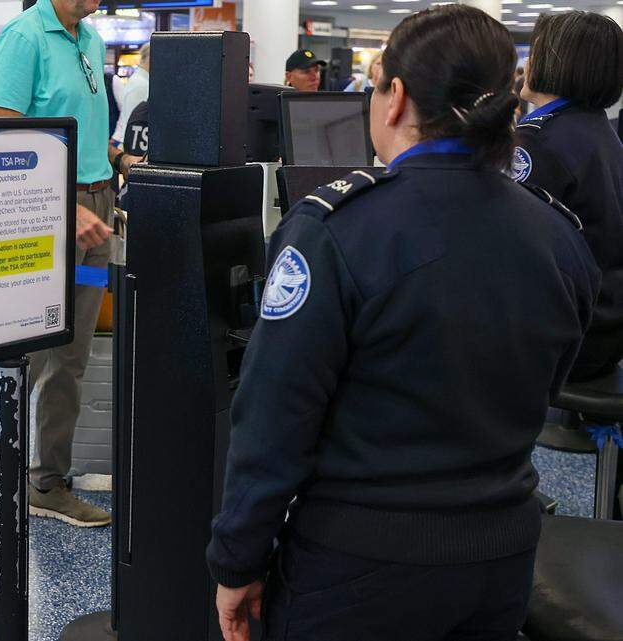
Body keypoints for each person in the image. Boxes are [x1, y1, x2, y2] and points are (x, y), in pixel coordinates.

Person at [208, 6, 600, 641]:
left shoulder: (333, 232)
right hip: (499, 562)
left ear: (395, 99)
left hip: (357, 570)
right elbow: (552, 377)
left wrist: (237, 558)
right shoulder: (557, 234)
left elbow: (275, 419)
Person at [0, 0, 115, 566]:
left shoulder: (89, 38)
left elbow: (78, 129)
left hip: (96, 203)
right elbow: (0, 137)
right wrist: (62, 202)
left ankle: (48, 482)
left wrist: (114, 163)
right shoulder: (23, 37)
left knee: (72, 359)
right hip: (41, 212)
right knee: (19, 361)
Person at [515, 10, 623, 382]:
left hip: (567, 339)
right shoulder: (599, 129)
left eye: (536, 50)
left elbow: (509, 250)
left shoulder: (537, 140)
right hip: (606, 324)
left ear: (558, 64)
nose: (527, 62)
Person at [112, 43, 148, 147]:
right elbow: (136, 122)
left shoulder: (139, 81)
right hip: (129, 143)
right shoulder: (141, 84)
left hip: (125, 140)